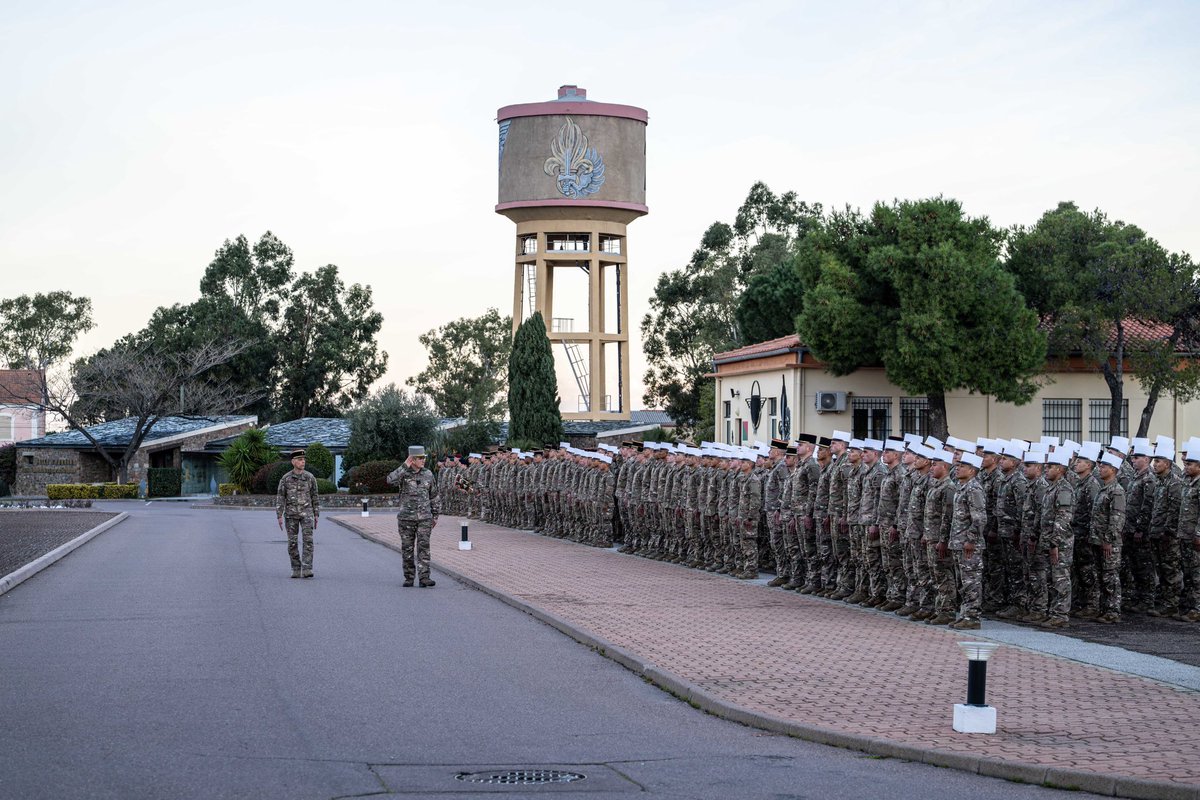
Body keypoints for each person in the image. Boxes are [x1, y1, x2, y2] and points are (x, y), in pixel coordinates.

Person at [387, 445, 441, 588]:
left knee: (424, 548)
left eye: (424, 458)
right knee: (407, 549)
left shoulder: (428, 474)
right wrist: (405, 465)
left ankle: (424, 578)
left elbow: (434, 496)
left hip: (424, 518)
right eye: (420, 458)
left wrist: (435, 515)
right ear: (412, 459)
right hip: (406, 518)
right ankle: (409, 577)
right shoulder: (403, 473)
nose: (423, 460)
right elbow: (390, 480)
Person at [276, 448, 319, 579]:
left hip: (307, 514)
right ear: (293, 462)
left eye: (304, 459)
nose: (303, 462)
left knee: (308, 541)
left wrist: (316, 514)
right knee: (292, 543)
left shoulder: (310, 477)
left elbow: (315, 496)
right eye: (300, 460)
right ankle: (295, 568)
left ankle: (307, 568)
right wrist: (279, 515)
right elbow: (280, 497)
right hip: (291, 515)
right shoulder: (286, 479)